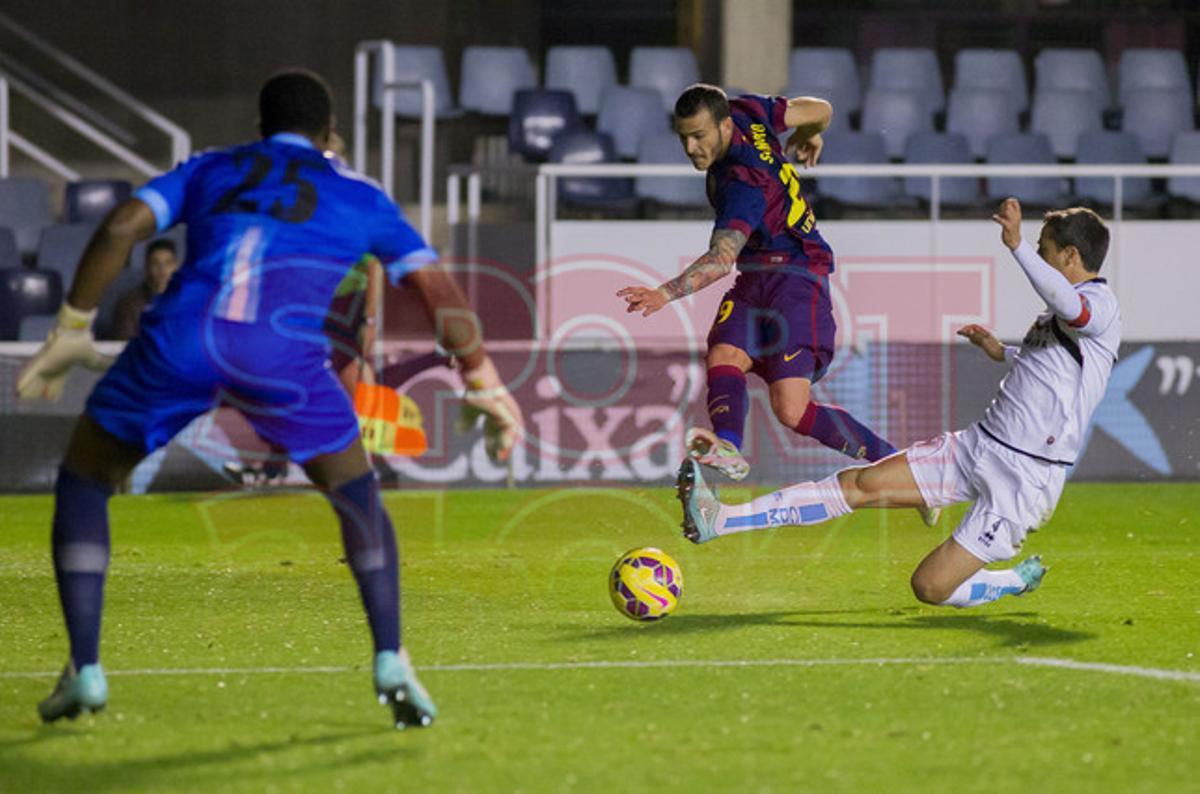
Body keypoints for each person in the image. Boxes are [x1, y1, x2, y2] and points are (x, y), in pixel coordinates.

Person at [16, 68, 524, 728]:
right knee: (356, 495)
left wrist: (73, 326)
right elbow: (434, 289)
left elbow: (120, 227)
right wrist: (482, 379)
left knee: (86, 480)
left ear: (260, 128)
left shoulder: (211, 166)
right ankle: (391, 658)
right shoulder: (359, 195)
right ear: (330, 133)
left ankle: (84, 666)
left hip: (182, 341)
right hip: (283, 358)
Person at [677, 199, 1119, 609]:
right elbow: (1054, 365)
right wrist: (1000, 350)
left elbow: (1069, 306)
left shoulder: (1100, 307)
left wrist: (1017, 246)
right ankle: (721, 519)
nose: (1039, 256)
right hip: (978, 445)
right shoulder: (1060, 318)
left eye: (1045, 250)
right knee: (859, 485)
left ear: (1070, 257)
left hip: (1027, 476)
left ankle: (1013, 581)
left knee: (928, 587)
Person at [617, 85, 920, 520]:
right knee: (723, 353)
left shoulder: (744, 181)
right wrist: (813, 132)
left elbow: (721, 260)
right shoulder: (746, 112)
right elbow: (822, 107)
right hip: (757, 275)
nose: (690, 147)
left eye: (699, 136)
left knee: (791, 410)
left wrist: (664, 293)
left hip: (797, 276)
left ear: (723, 126)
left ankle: (903, 470)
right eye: (683, 137)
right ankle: (728, 447)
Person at [110, 238, 180, 340]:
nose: (162, 269)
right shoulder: (129, 305)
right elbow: (124, 345)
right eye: (155, 263)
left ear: (176, 266)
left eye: (168, 263)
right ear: (147, 267)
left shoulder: (186, 300)